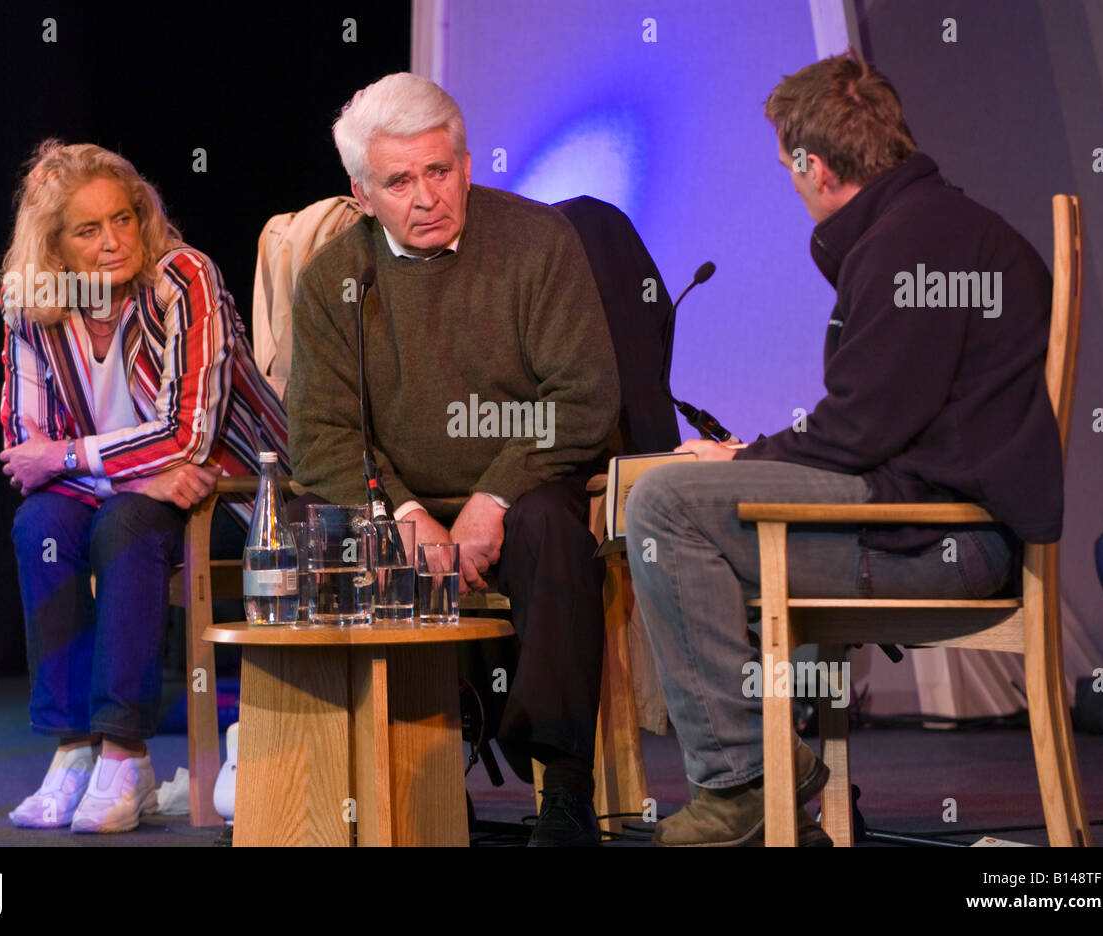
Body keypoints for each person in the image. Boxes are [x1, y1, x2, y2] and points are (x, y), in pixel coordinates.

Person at [625, 51, 1063, 846]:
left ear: (816, 166)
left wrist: (745, 458)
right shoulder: (940, 226)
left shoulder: (912, 245)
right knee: (700, 514)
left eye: (789, 170)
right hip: (940, 518)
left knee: (664, 506)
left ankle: (748, 780)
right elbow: (879, 419)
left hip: (943, 541)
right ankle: (784, 785)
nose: (792, 188)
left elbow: (859, 429)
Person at [288, 73, 621, 846]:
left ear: (467, 165)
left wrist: (494, 497)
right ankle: (411, 780)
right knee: (326, 534)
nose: (426, 197)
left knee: (551, 531)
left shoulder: (538, 242)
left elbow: (584, 395)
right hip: (399, 500)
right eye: (399, 181)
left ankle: (564, 787)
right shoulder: (334, 279)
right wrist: (403, 514)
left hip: (525, 484)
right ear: (363, 194)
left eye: (440, 171)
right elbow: (321, 434)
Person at [0, 140, 289, 833]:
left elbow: (186, 437)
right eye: (88, 230)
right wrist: (122, 466)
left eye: (123, 219)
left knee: (122, 522)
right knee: (38, 524)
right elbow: (22, 445)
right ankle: (73, 748)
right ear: (55, 248)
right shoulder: (30, 307)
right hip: (117, 490)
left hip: (235, 490)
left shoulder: (182, 279)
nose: (111, 243)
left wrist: (72, 456)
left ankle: (125, 752)